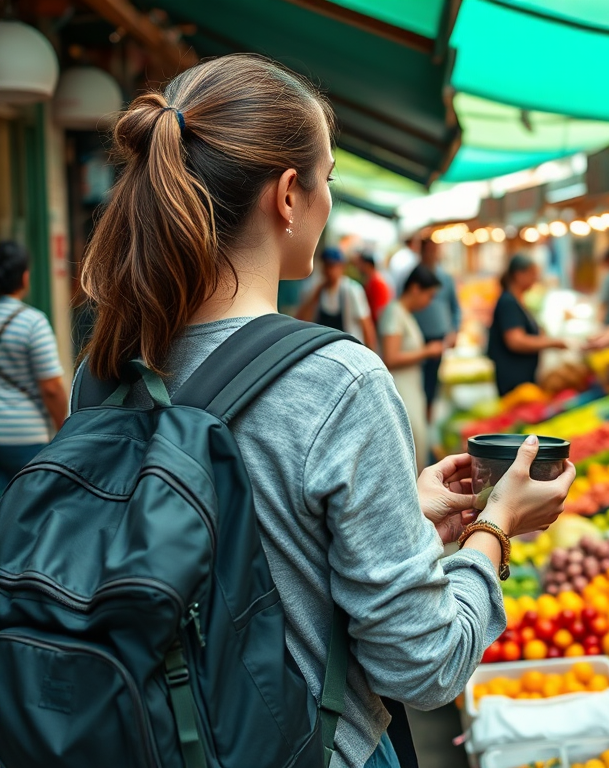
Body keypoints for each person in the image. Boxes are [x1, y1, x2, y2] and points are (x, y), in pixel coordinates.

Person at [77, 54, 574, 768]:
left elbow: (227, 548)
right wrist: (497, 527)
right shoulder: (337, 379)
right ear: (288, 195)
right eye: (330, 177)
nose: (329, 199)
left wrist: (400, 504)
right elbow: (424, 665)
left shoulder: (106, 364)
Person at [0, 241, 67, 487]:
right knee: (24, 511)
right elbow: (50, 388)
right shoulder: (32, 322)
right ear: (25, 278)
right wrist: (64, 427)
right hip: (25, 436)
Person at [379, 265, 444, 473]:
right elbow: (390, 356)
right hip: (402, 388)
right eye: (429, 295)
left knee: (418, 445)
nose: (429, 302)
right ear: (416, 289)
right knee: (413, 447)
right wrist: (427, 351)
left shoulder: (404, 313)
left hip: (411, 387)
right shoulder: (394, 312)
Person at [487, 254, 567, 397]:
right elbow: (515, 341)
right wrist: (550, 343)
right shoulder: (508, 302)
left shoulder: (517, 300)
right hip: (513, 375)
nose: (536, 279)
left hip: (522, 373)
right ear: (519, 275)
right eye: (533, 274)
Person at [296, 246, 377, 350]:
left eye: (332, 266)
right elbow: (302, 319)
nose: (329, 271)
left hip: (349, 349)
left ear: (341, 267)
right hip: (325, 348)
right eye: (326, 266)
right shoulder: (317, 290)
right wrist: (315, 297)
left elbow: (366, 324)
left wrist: (371, 351)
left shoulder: (352, 289)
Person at [414, 239, 461, 409]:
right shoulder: (414, 275)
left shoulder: (446, 278)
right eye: (429, 251)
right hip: (418, 335)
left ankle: (428, 413)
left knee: (433, 380)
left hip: (439, 335)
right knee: (417, 380)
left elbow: (455, 307)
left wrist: (455, 330)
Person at [355, 249, 391, 325]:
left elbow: (377, 312)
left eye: (360, 264)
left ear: (367, 265)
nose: (358, 267)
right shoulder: (371, 280)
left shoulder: (377, 282)